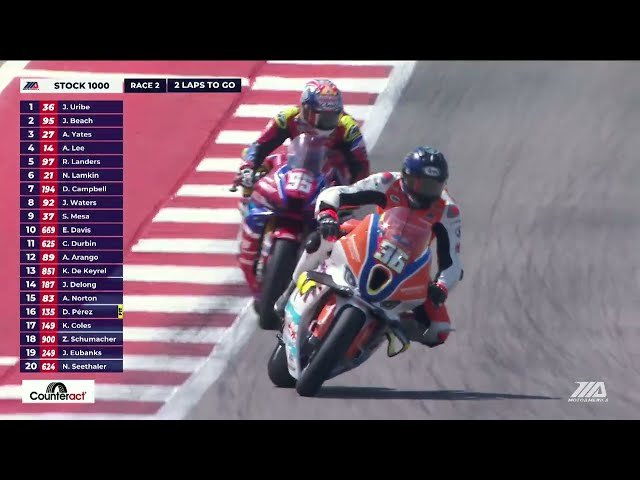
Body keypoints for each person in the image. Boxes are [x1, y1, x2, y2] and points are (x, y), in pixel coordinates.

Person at [274, 146, 463, 348]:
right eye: (419, 184)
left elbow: (452, 261)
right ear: (406, 177)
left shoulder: (448, 211)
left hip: (408, 264)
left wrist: (442, 287)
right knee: (320, 239)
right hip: (369, 238)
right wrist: (328, 215)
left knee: (439, 330)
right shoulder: (388, 181)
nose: (424, 192)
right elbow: (341, 193)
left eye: (432, 187)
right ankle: (289, 292)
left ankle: (386, 327)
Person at [235, 79, 371, 191]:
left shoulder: (348, 127)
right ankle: (250, 201)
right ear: (306, 109)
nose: (328, 121)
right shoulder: (287, 117)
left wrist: (353, 193)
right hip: (296, 166)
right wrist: (247, 168)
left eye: (332, 116)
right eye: (322, 116)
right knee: (264, 161)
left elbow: (361, 165)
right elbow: (260, 145)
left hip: (330, 176)